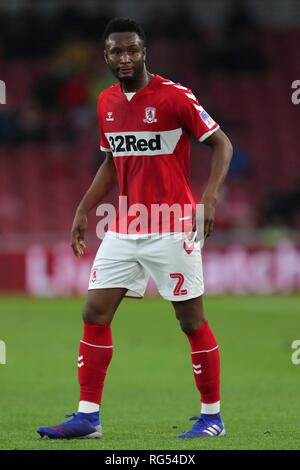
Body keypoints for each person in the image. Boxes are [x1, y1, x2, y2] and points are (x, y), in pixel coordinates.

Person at [37, 17, 232, 440]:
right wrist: (83, 209)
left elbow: (222, 143)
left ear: (145, 51)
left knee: (190, 320)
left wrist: (210, 198)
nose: (125, 58)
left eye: (132, 50)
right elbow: (112, 162)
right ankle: (88, 417)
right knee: (94, 311)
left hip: (173, 225)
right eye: (116, 52)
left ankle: (212, 416)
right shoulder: (105, 101)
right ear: (105, 56)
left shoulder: (174, 96)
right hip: (125, 227)